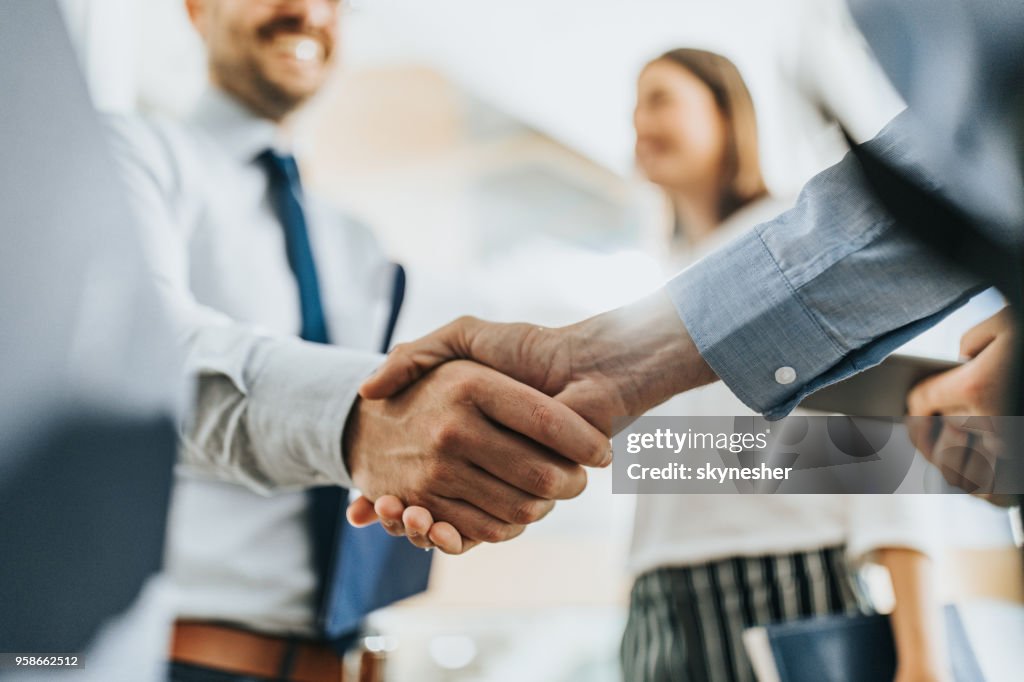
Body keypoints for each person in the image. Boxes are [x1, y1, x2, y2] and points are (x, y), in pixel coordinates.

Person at [347, 0, 1023, 550]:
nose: (640, 124)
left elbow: (869, 462)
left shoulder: (782, 234)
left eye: (662, 99)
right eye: (635, 106)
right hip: (668, 575)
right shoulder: (669, 282)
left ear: (727, 115)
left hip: (778, 568)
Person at [105, 0, 610, 678]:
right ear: (198, 8)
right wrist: (352, 423)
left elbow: (422, 404)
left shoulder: (356, 243)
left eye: (334, 1)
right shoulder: (131, 155)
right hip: (179, 662)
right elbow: (140, 357)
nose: (308, 12)